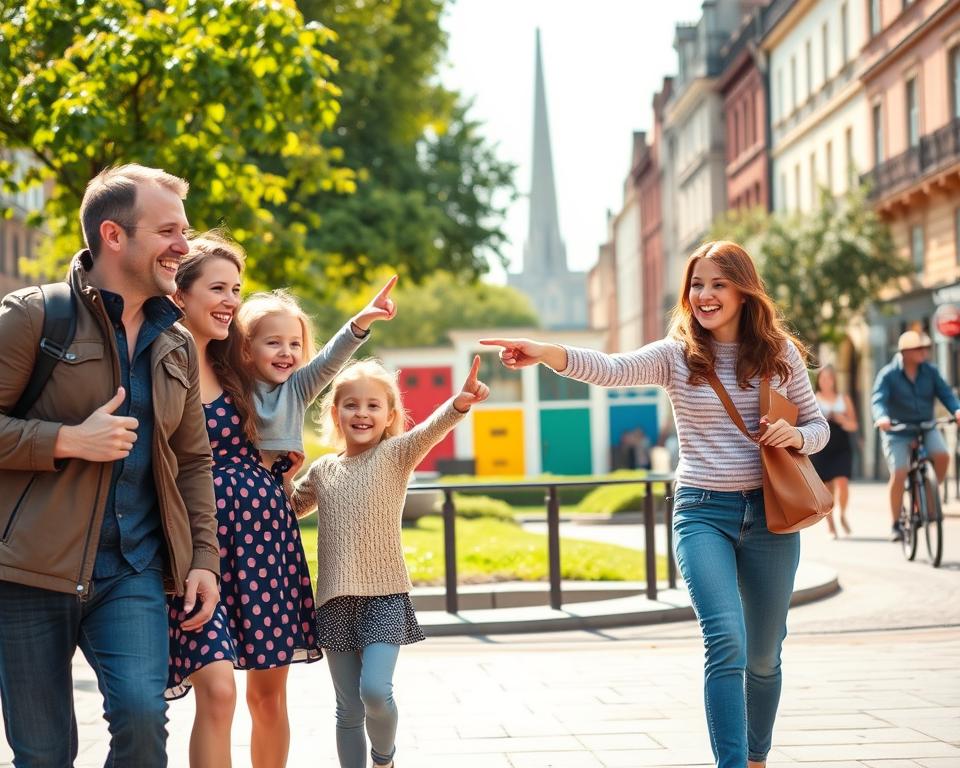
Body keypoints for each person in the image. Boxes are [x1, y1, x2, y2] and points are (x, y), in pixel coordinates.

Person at [480, 240, 829, 768]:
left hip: (771, 517)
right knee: (726, 640)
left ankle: (757, 757)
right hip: (702, 511)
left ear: (743, 290)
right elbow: (608, 367)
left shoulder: (777, 354)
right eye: (696, 284)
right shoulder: (676, 354)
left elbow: (819, 426)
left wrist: (795, 436)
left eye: (717, 284)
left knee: (763, 654)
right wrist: (545, 350)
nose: (704, 295)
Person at [0, 164, 220, 767]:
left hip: (133, 570)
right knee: (42, 756)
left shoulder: (174, 342)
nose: (185, 245)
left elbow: (193, 461)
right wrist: (66, 440)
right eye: (168, 230)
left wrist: (204, 557)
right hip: (28, 573)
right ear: (114, 235)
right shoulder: (33, 317)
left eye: (186, 229)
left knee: (144, 720)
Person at [166, 233, 397, 768]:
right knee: (217, 690)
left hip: (268, 538)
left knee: (268, 696)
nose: (286, 354)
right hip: (204, 544)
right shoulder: (209, 370)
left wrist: (360, 322)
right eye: (218, 288)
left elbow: (327, 363)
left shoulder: (266, 385)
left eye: (235, 288)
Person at [288, 356, 489, 768]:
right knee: (347, 710)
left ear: (390, 415)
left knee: (375, 691)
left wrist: (460, 403)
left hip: (384, 596)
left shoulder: (396, 455)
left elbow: (431, 430)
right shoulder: (324, 470)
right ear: (335, 413)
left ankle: (385, 759)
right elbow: (290, 507)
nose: (362, 413)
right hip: (333, 601)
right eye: (351, 405)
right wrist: (283, 476)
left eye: (373, 406)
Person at [871, 330, 960, 542]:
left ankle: (929, 494)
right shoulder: (888, 374)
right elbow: (878, 400)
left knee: (942, 455)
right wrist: (882, 418)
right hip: (897, 430)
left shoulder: (930, 371)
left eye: (925, 348)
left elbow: (946, 394)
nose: (925, 352)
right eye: (920, 348)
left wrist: (956, 410)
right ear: (906, 352)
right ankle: (895, 523)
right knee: (900, 471)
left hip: (925, 426)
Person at [811, 364, 857, 538]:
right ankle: (831, 525)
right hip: (822, 448)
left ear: (834, 380)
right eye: (823, 378)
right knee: (826, 489)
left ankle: (842, 514)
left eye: (830, 378)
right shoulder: (814, 399)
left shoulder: (843, 399)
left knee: (843, 482)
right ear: (819, 381)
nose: (826, 381)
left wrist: (841, 418)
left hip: (841, 447)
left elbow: (854, 426)